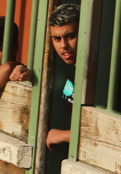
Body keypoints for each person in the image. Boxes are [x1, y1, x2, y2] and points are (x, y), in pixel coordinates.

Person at [45, 1, 81, 148]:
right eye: (57, 39)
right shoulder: (60, 66)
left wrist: (65, 135)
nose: (63, 45)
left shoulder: (106, 71)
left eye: (70, 36)